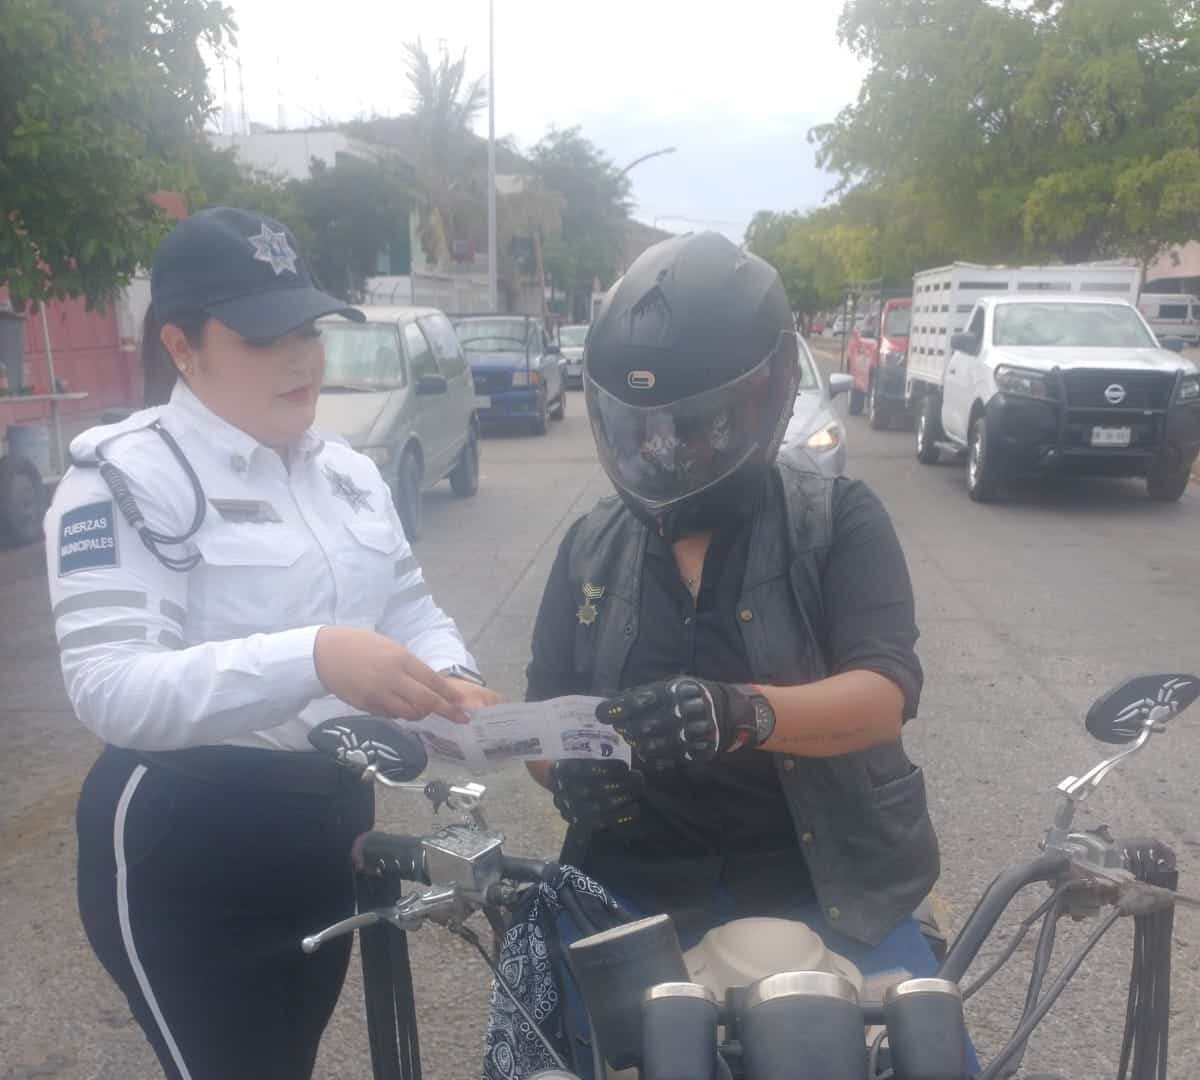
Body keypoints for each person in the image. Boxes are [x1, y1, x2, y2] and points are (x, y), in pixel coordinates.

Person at [45, 206, 496, 1080]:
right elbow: (110, 687)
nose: (301, 357)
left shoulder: (346, 472)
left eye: (308, 328)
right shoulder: (127, 476)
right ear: (181, 346)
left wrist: (450, 679)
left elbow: (407, 605)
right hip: (186, 839)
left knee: (283, 1059)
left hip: (327, 824)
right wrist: (314, 658)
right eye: (262, 335)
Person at [525, 232, 944, 1066]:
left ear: (771, 397)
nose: (663, 451)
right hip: (633, 887)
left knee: (936, 1056)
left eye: (698, 426)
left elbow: (882, 694)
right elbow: (546, 712)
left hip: (827, 884)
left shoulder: (840, 521)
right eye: (636, 426)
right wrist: (567, 769)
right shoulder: (589, 546)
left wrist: (741, 714)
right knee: (541, 1057)